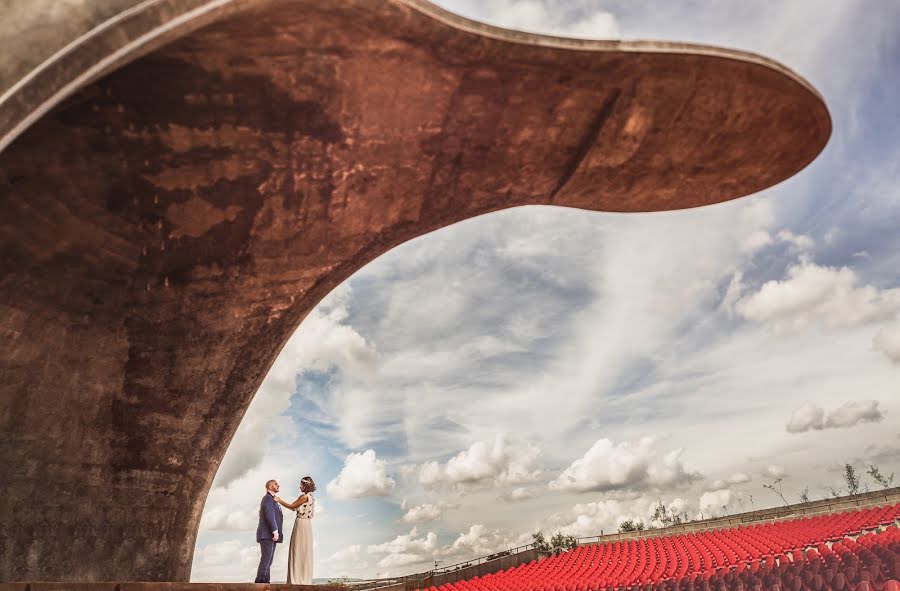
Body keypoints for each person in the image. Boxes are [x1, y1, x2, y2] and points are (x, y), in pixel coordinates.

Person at [275, 475, 317, 584]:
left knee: (297, 550)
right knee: (304, 551)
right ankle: (304, 578)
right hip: (307, 524)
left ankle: (296, 579)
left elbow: (292, 506)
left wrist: (279, 500)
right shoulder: (312, 496)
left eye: (301, 485)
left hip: (301, 523)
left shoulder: (304, 497)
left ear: (305, 485)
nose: (300, 487)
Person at [255, 479, 284, 584]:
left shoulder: (272, 499)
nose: (278, 485)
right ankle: (259, 584)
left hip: (269, 535)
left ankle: (265, 583)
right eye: (276, 484)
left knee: (269, 561)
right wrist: (275, 531)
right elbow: (269, 515)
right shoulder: (267, 498)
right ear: (270, 486)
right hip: (268, 535)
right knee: (266, 560)